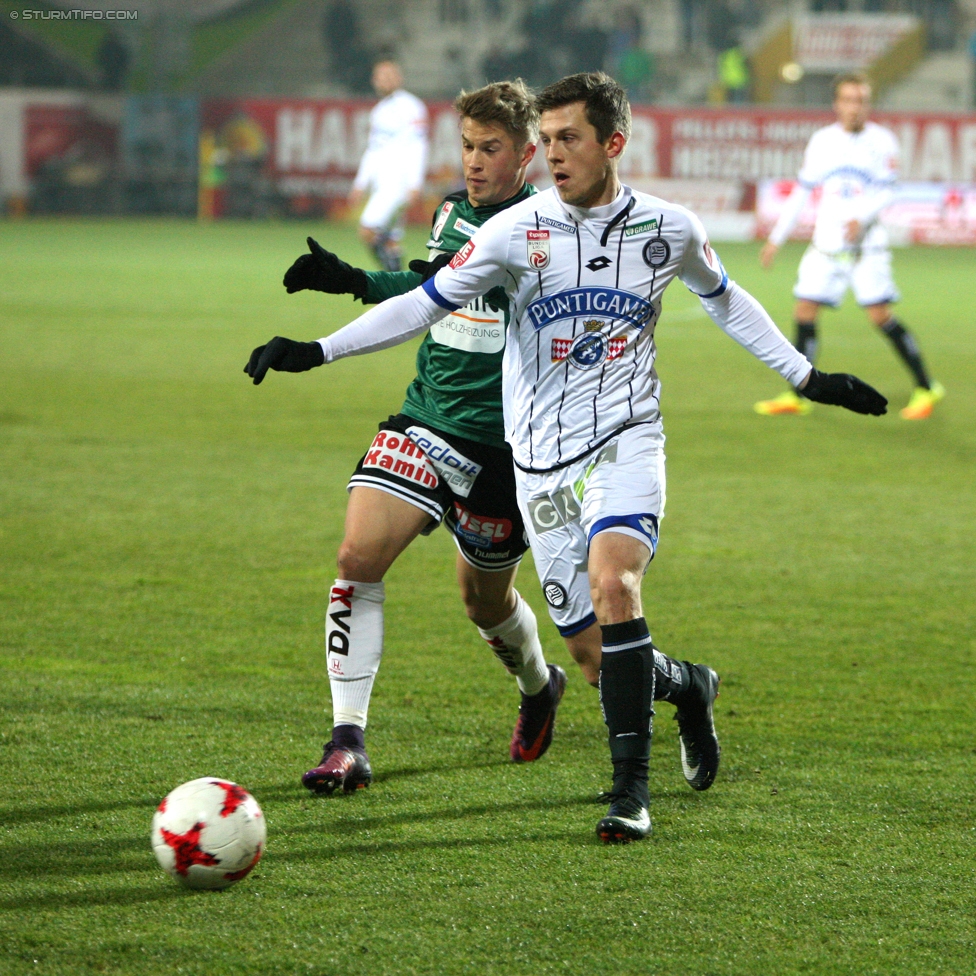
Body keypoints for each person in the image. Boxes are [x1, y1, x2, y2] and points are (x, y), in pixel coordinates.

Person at [246, 72, 887, 843]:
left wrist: (807, 377)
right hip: (537, 461)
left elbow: (723, 296)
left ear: (613, 143)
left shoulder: (668, 227)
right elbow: (426, 300)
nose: (552, 155)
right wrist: (316, 351)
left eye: (567, 139)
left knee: (616, 586)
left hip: (626, 441)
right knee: (593, 658)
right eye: (545, 141)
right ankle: (687, 686)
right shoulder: (515, 232)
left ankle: (630, 793)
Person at [274, 81, 588, 797]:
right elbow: (427, 293)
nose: (474, 163)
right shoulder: (452, 211)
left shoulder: (547, 227)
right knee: (357, 555)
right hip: (426, 419)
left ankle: (540, 687)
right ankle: (346, 740)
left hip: (502, 449)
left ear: (528, 155)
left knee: (484, 602)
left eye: (491, 149)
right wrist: (355, 281)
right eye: (468, 147)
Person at [755, 72, 943, 421]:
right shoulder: (822, 141)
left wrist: (863, 216)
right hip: (826, 245)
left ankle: (926, 387)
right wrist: (776, 238)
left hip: (866, 248)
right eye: (848, 100)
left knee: (880, 315)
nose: (855, 107)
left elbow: (888, 189)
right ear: (836, 104)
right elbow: (802, 191)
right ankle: (797, 394)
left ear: (868, 104)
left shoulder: (882, 142)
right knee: (805, 310)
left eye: (861, 100)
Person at [348, 60, 429, 272]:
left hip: (398, 184)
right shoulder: (379, 111)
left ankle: (394, 285)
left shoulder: (412, 107)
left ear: (399, 78)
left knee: (367, 229)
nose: (384, 80)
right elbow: (373, 151)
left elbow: (418, 146)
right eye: (380, 76)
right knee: (391, 240)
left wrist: (415, 183)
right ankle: (399, 288)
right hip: (381, 184)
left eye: (389, 75)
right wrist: (360, 184)